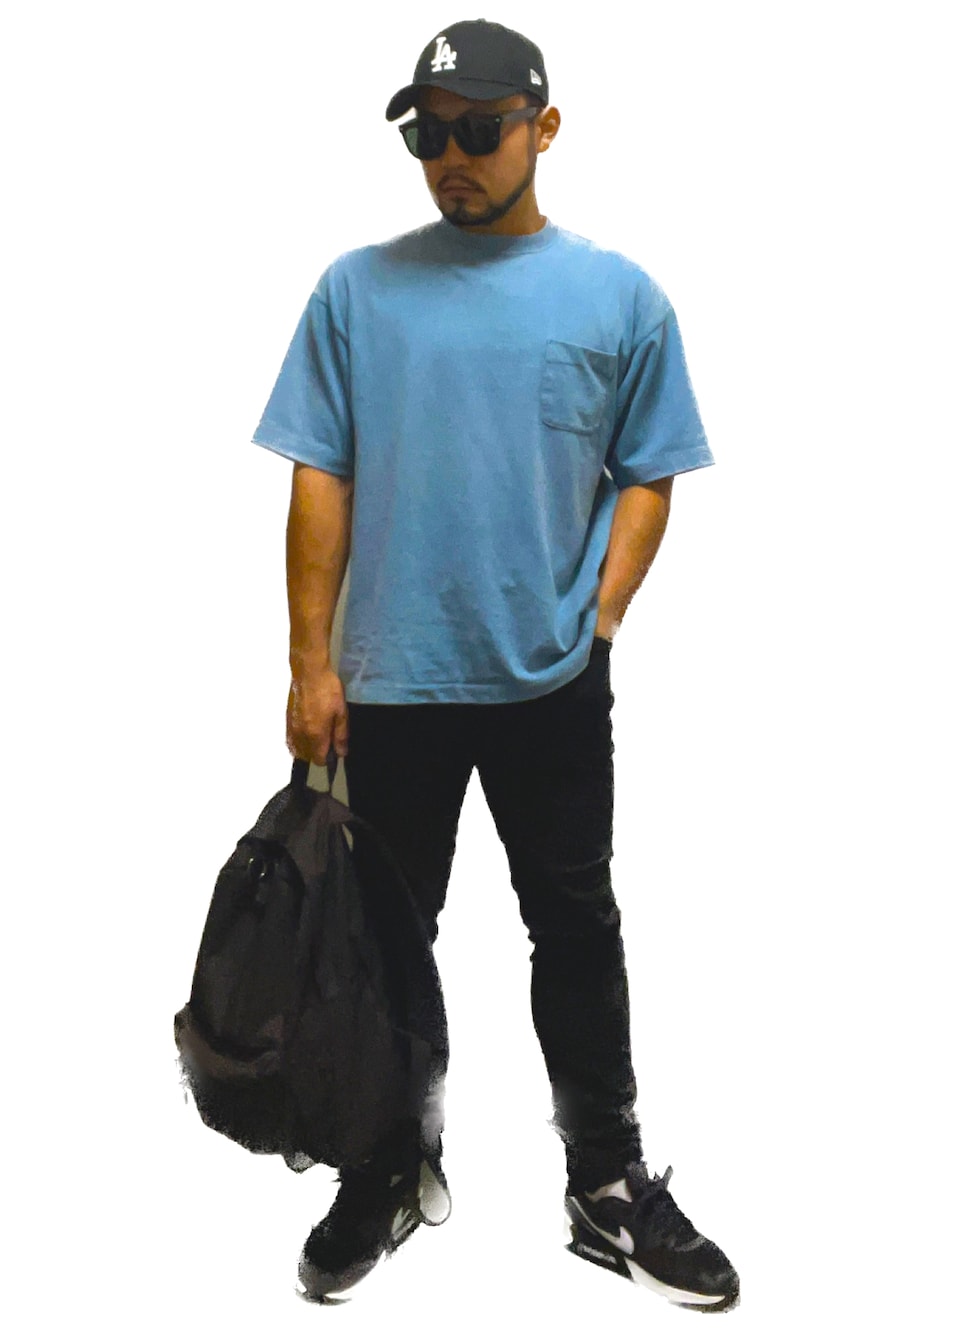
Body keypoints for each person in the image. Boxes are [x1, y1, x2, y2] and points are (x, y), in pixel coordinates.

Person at [251, 18, 739, 1314]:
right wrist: (309, 664)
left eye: (478, 128)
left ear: (544, 127)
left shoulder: (618, 296)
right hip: (388, 681)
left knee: (574, 926)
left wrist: (601, 617)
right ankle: (389, 1165)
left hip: (549, 683)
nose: (450, 156)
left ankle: (606, 1183)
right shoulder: (356, 290)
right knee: (383, 941)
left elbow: (651, 468)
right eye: (429, 134)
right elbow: (319, 474)